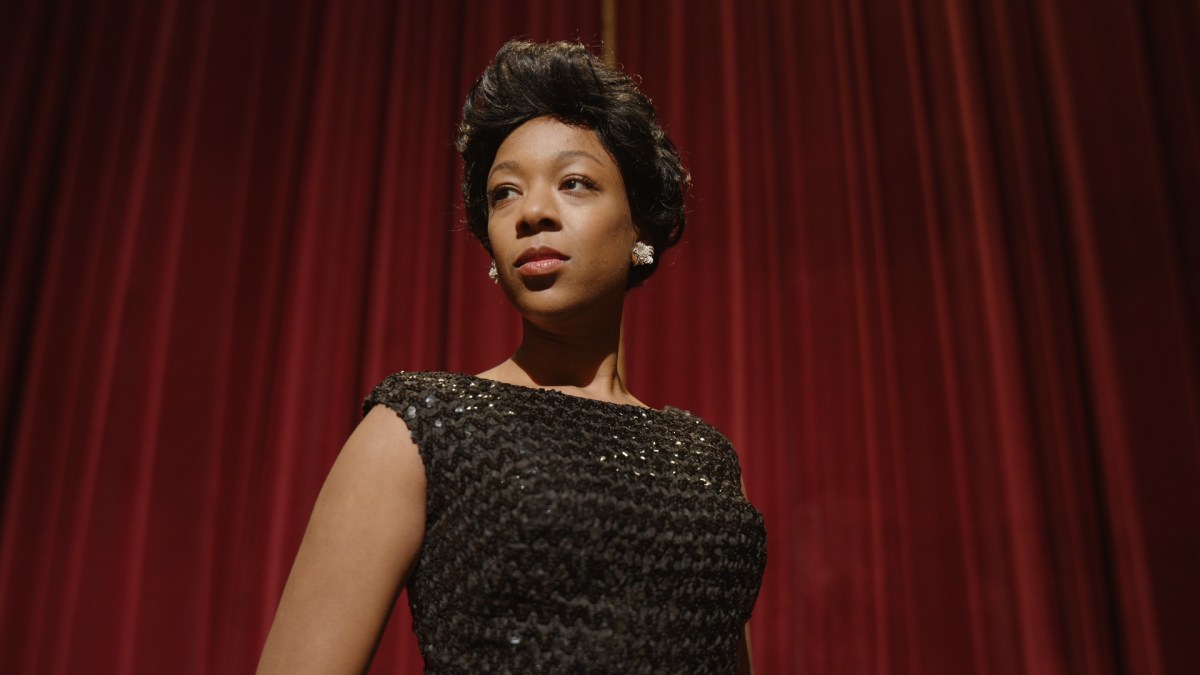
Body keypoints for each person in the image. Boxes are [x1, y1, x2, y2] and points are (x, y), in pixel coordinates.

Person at [257, 40, 767, 674]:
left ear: (639, 225)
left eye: (574, 183)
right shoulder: (422, 426)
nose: (531, 213)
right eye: (503, 194)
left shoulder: (705, 460)